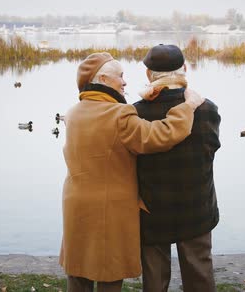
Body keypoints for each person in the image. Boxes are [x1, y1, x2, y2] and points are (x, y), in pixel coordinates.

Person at [59, 52, 205, 292]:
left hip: (75, 203)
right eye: (121, 76)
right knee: (108, 273)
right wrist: (188, 106)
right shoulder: (119, 114)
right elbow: (161, 135)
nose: (125, 82)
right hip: (110, 208)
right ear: (104, 79)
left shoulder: (74, 113)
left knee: (78, 271)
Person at [134, 44, 221, 292]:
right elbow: (211, 149)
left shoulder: (136, 112)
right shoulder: (206, 109)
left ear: (149, 74)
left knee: (154, 278)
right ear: (184, 68)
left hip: (151, 208)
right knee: (199, 274)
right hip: (196, 205)